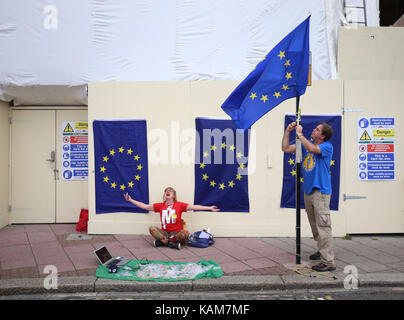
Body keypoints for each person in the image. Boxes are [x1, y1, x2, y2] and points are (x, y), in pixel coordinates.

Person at [282, 121, 336, 272]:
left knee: (323, 226)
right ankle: (322, 251)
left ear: (323, 136)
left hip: (321, 192)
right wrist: (288, 132)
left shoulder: (326, 146)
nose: (314, 130)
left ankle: (329, 262)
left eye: (317, 130)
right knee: (315, 227)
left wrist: (299, 134)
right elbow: (285, 148)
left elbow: (313, 148)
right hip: (309, 191)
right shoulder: (306, 145)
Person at [124, 187, 219, 250]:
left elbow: (195, 207)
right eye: (166, 191)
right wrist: (130, 200)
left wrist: (209, 208)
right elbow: (145, 206)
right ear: (164, 195)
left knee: (185, 233)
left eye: (170, 190)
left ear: (174, 195)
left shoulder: (180, 205)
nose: (167, 191)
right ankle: (170, 244)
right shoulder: (160, 206)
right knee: (152, 228)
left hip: (176, 233)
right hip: (165, 233)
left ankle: (163, 242)